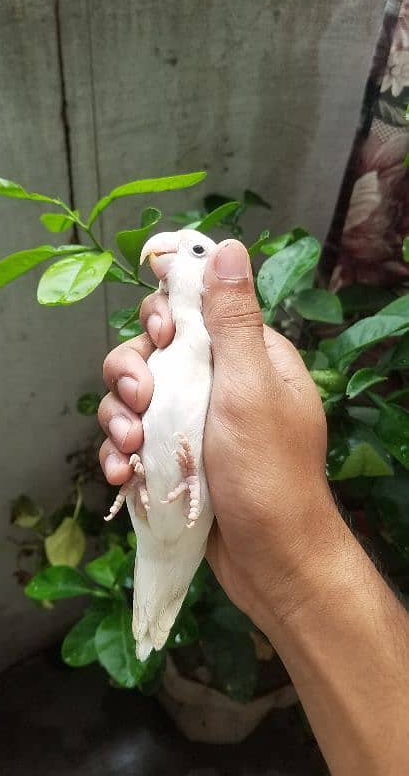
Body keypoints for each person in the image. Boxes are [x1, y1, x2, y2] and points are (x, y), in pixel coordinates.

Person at [97, 239, 409, 775]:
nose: (162, 251)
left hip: (188, 514)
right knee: (137, 452)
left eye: (194, 249)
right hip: (155, 512)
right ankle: (142, 513)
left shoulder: (215, 356)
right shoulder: (172, 347)